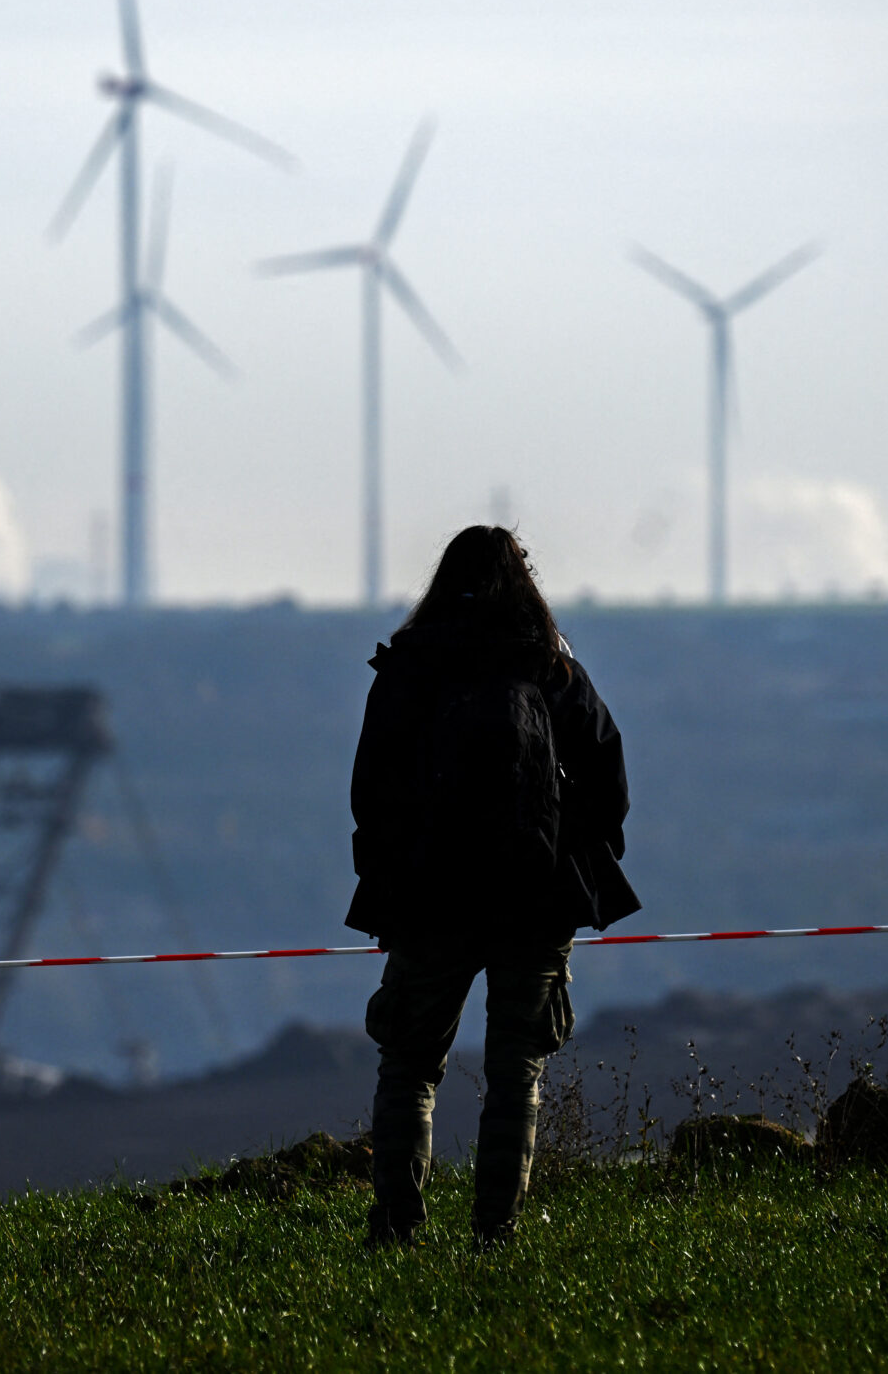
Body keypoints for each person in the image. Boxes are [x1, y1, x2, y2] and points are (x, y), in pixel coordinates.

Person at [346, 525, 638, 1247]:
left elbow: (371, 789)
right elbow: (607, 773)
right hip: (535, 899)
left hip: (429, 898)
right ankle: (496, 1231)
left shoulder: (409, 665)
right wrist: (580, 864)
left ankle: (398, 1227)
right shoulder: (550, 667)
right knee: (516, 1072)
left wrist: (386, 881)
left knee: (410, 1066)